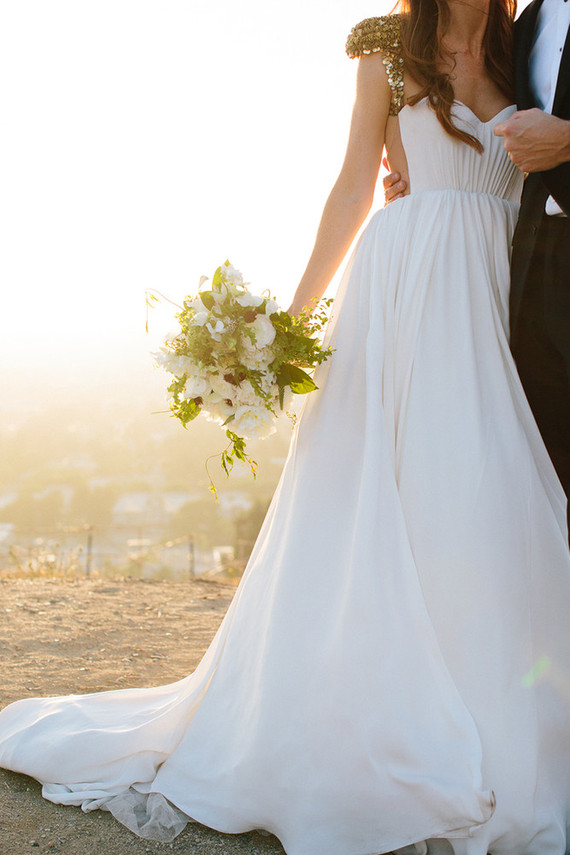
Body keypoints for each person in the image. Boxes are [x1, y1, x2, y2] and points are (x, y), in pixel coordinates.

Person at [1, 2, 570, 854]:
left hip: (497, 291)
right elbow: (352, 182)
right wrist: (293, 325)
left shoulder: (520, 45)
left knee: (478, 505)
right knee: (374, 505)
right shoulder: (385, 47)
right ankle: (360, 713)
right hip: (401, 288)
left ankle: (489, 715)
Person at [384, 0, 570, 514]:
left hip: (506, 264)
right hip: (461, 268)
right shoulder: (522, 34)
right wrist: (421, 195)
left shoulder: (512, 41)